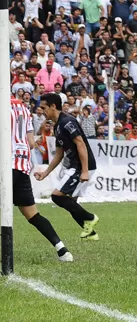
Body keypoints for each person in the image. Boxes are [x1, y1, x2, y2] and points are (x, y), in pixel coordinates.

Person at [10, 96, 72, 261]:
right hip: (22, 164)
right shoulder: (23, 108)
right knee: (33, 214)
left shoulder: (3, 106)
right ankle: (62, 250)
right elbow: (31, 142)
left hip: (6, 164)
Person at [33, 94, 100, 241]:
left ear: (53, 106)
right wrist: (45, 173)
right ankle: (90, 232)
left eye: (44, 108)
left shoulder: (67, 122)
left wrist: (84, 170)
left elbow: (80, 144)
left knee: (57, 197)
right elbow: (59, 154)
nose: (42, 111)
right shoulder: (57, 126)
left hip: (80, 166)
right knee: (70, 202)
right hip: (77, 166)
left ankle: (90, 217)